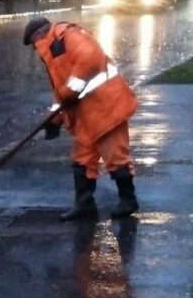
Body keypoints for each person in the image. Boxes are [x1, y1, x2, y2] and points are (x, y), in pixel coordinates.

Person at [23, 16, 138, 220]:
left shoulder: (68, 36)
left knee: (115, 157)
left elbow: (90, 59)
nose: (35, 49)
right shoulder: (54, 50)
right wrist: (54, 119)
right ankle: (84, 204)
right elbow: (62, 95)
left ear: (39, 36)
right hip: (89, 114)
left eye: (34, 44)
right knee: (81, 160)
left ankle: (128, 200)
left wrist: (69, 91)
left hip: (107, 107)